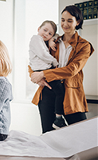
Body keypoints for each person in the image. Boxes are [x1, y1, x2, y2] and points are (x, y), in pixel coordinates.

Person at [29, 5, 94, 133]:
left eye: (69, 20)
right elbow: (34, 60)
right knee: (49, 137)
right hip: (48, 91)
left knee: (82, 135)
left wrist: (43, 74)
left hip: (72, 94)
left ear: (78, 22)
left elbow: (71, 70)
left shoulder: (84, 45)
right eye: (63, 20)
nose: (65, 24)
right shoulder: (53, 41)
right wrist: (34, 76)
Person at [29, 20, 66, 129]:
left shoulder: (43, 41)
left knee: (58, 91)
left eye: (49, 33)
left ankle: (58, 118)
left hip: (43, 70)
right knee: (60, 91)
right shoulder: (36, 39)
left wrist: (51, 39)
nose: (46, 34)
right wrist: (55, 62)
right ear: (38, 28)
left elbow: (57, 35)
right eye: (45, 30)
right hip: (44, 69)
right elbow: (42, 54)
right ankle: (59, 119)